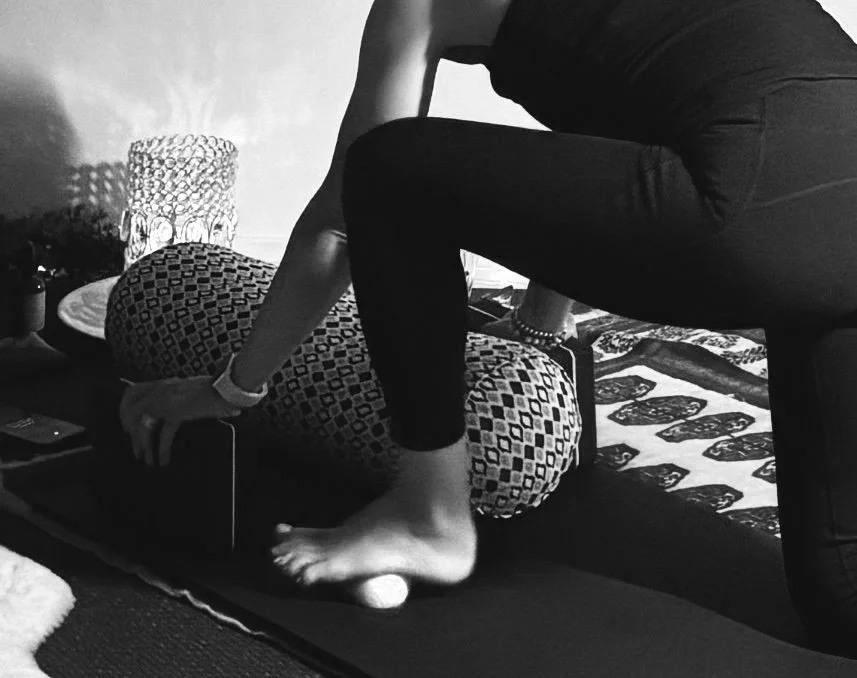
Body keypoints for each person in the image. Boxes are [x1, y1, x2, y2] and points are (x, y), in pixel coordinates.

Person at [121, 0, 857, 656]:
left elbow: (343, 220)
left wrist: (232, 387)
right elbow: (613, 153)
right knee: (842, 597)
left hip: (750, 208)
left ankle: (427, 514)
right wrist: (537, 325)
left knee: (384, 170)